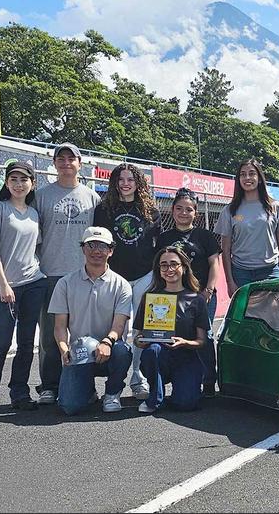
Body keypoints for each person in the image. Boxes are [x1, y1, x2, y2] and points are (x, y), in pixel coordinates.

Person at [0, 161, 48, 414]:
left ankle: (20, 393)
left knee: (26, 343)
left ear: (32, 184)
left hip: (33, 283)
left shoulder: (34, 213)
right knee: (1, 342)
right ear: (6, 183)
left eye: (23, 180)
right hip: (4, 287)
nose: (18, 184)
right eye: (13, 179)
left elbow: (34, 248)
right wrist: (3, 284)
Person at [32, 142, 100, 405]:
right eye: (60, 158)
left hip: (84, 275)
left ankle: (86, 385)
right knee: (51, 333)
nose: (66, 163)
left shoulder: (91, 197)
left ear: (79, 163)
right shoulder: (42, 196)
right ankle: (49, 385)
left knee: (85, 333)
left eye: (71, 158)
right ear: (54, 163)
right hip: (51, 273)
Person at [93, 163, 161, 400]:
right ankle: (115, 384)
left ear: (138, 183)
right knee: (117, 330)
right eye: (120, 179)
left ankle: (138, 377)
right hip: (115, 277)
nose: (125, 183)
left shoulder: (151, 211)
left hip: (144, 275)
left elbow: (157, 246)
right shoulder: (104, 210)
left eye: (130, 179)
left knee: (140, 329)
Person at [49, 226, 133, 415]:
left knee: (122, 350)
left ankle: (112, 393)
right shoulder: (65, 283)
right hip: (79, 351)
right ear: (83, 249)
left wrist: (107, 342)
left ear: (111, 251)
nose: (97, 251)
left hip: (109, 349)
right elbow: (59, 326)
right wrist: (64, 350)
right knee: (70, 407)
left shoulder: (122, 285)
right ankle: (87, 391)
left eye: (103, 246)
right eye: (91, 245)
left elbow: (119, 325)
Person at [157, 188, 221, 397]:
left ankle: (209, 380)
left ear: (196, 213)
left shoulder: (205, 235)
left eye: (189, 209)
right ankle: (176, 379)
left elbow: (214, 263)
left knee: (205, 336)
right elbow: (159, 267)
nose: (184, 213)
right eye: (179, 209)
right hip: (172, 296)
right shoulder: (164, 237)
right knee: (172, 337)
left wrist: (208, 290)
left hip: (201, 296)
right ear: (173, 210)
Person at [134, 247, 209, 413]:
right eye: (164, 265)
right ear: (159, 270)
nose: (169, 269)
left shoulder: (196, 299)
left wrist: (184, 342)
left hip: (186, 357)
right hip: (160, 355)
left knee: (185, 404)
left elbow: (201, 341)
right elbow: (138, 337)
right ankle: (154, 399)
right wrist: (140, 341)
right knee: (152, 350)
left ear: (184, 267)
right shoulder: (149, 298)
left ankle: (183, 391)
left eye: (174, 264)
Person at [216, 159, 279, 295]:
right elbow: (226, 248)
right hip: (241, 273)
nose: (247, 178)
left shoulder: (275, 207)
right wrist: (230, 282)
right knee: (245, 315)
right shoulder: (229, 211)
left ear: (259, 178)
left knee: (273, 314)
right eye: (242, 174)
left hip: (270, 271)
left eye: (252, 174)